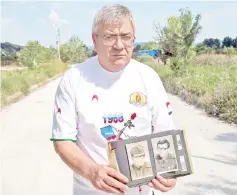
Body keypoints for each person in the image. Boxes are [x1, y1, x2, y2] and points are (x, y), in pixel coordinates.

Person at [50, 3, 177, 195]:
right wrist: (92, 172)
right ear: (94, 39)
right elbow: (62, 141)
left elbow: (164, 132)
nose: (119, 45)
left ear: (133, 39)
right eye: (109, 37)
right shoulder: (73, 79)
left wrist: (170, 173)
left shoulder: (148, 77)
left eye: (125, 36)